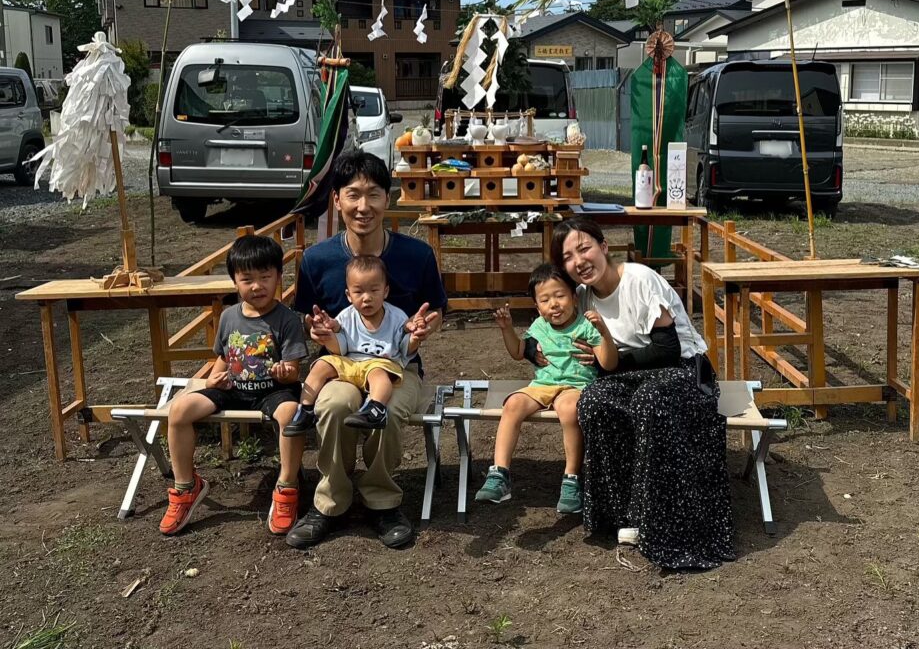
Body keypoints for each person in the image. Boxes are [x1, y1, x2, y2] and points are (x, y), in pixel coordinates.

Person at [548, 217, 735, 570]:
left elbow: (667, 349)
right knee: (595, 402)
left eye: (584, 248)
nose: (579, 261)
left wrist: (613, 364)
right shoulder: (584, 296)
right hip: (633, 377)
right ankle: (623, 515)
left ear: (604, 247)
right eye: (568, 257)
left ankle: (666, 523)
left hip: (685, 371)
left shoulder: (639, 279)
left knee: (649, 400)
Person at [286, 151, 446, 550]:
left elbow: (436, 310)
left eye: (373, 194)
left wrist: (425, 326)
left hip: (396, 367)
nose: (363, 206)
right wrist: (316, 328)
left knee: (387, 411)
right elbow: (306, 315)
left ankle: (382, 501)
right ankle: (330, 501)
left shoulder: (416, 255)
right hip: (340, 363)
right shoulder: (317, 259)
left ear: (387, 199)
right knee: (333, 405)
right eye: (353, 194)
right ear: (336, 199)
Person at [160, 235, 308, 537]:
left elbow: (294, 372)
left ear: (279, 276)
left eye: (265, 277)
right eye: (247, 279)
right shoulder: (229, 317)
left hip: (274, 390)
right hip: (234, 389)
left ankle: (287, 486)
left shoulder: (287, 320)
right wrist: (213, 379)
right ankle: (186, 487)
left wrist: (285, 373)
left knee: (292, 413)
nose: (257, 286)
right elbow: (223, 358)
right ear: (235, 282)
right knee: (179, 410)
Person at [475, 263, 618, 514]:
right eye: (545, 300)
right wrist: (507, 329)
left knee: (569, 408)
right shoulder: (539, 326)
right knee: (513, 404)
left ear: (574, 298)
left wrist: (604, 333)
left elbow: (609, 363)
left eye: (560, 296)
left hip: (576, 385)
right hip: (543, 385)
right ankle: (499, 474)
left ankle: (571, 479)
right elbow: (518, 352)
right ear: (537, 306)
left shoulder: (586, 325)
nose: (554, 304)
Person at [283, 255, 428, 435]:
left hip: (381, 363)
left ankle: (376, 408)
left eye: (374, 290)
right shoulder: (346, 316)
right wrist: (329, 336)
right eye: (358, 292)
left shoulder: (397, 317)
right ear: (348, 295)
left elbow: (405, 348)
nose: (367, 298)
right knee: (321, 364)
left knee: (379, 375)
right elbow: (340, 348)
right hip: (350, 362)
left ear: (385, 291)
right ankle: (305, 409)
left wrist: (414, 338)